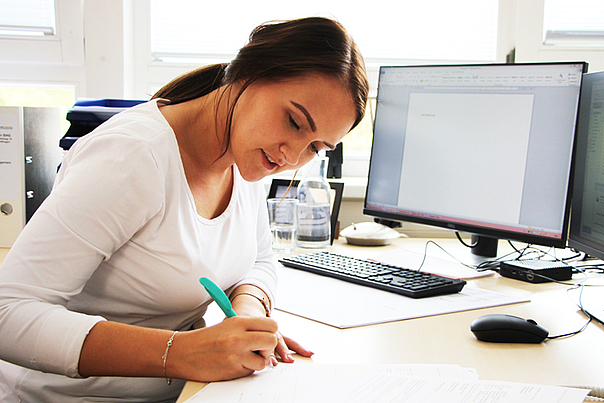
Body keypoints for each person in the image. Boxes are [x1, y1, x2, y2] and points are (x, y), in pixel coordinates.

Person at [0, 17, 368, 402]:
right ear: (247, 75)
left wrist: (247, 313)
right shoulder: (132, 158)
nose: (292, 155)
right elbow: (8, 314)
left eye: (315, 147)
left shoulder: (244, 158)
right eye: (293, 122)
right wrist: (187, 352)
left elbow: (259, 259)